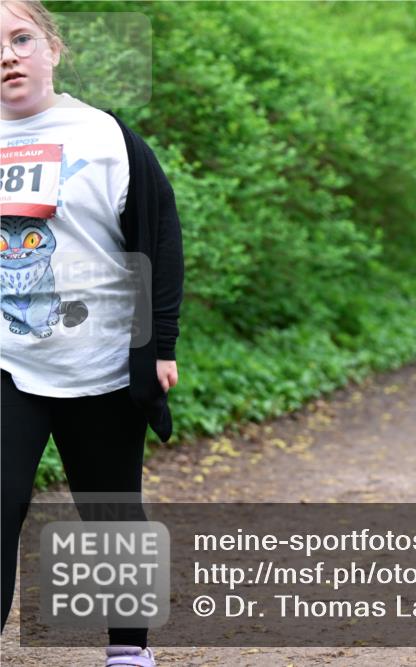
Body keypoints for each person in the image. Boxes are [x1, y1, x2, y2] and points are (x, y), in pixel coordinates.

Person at [1, 2, 183, 665]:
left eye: (22, 38)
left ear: (53, 47)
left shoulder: (105, 135)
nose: (8, 55)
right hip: (10, 361)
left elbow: (159, 239)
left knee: (109, 509)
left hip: (102, 359)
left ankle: (128, 651)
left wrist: (160, 344)